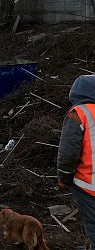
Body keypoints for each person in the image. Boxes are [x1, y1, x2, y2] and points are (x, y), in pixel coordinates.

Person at [58, 75, 95, 250]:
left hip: (89, 186)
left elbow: (68, 153)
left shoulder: (78, 113)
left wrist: (64, 178)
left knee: (93, 226)